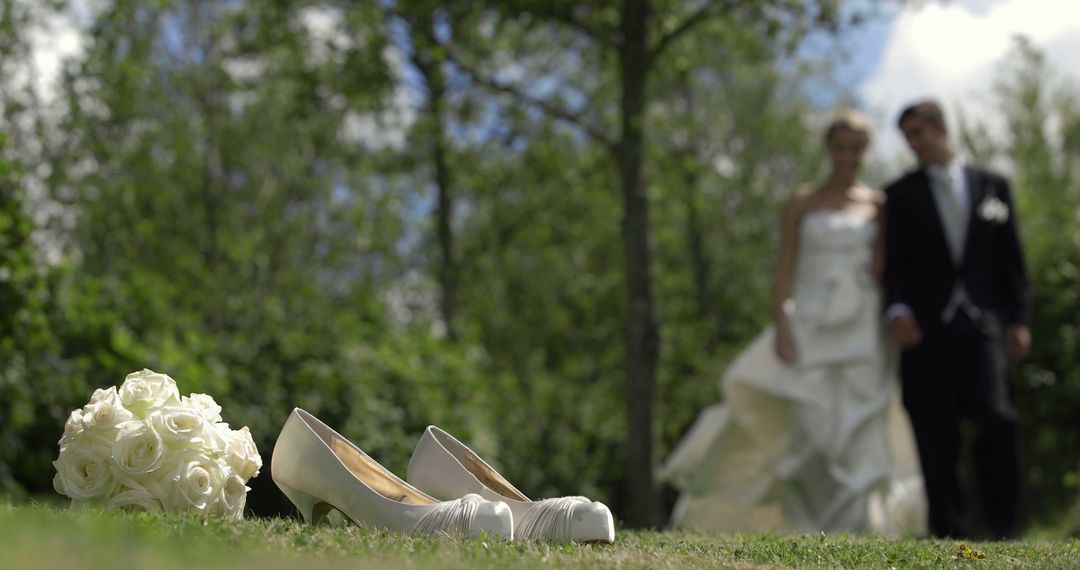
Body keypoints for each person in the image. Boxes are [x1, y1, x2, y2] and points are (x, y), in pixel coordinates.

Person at [660, 111, 926, 535]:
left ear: (866, 152)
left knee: (861, 430)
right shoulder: (803, 200)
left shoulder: (879, 206)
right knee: (812, 431)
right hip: (810, 326)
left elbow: (885, 271)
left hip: (863, 330)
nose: (848, 156)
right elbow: (785, 269)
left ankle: (862, 533)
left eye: (856, 148)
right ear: (828, 149)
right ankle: (810, 528)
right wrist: (782, 328)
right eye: (840, 147)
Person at [883, 99, 1031, 540]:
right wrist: (898, 310)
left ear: (941, 127)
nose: (915, 141)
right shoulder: (899, 194)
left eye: (919, 131)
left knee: (996, 417)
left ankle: (1004, 529)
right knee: (934, 430)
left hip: (983, 324)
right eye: (907, 136)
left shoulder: (993, 185)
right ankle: (951, 535)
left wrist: (1020, 321)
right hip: (926, 331)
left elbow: (1013, 265)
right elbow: (892, 266)